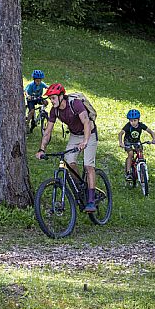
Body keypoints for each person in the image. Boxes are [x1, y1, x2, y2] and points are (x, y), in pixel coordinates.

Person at [35, 83, 98, 212]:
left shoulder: (75, 104)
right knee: (69, 163)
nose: (51, 101)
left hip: (89, 134)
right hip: (75, 136)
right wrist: (42, 149)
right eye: (50, 99)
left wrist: (85, 141)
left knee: (88, 165)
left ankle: (91, 201)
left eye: (53, 98)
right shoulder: (54, 110)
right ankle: (81, 187)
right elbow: (48, 131)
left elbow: (86, 122)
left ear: (61, 96)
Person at [118, 109, 155, 180]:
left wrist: (154, 139)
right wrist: (121, 143)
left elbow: (151, 131)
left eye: (135, 120)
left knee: (140, 153)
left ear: (138, 119)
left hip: (136, 141)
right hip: (128, 141)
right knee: (130, 154)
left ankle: (142, 168)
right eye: (131, 120)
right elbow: (121, 133)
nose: (133, 122)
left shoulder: (141, 125)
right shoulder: (128, 126)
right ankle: (128, 172)